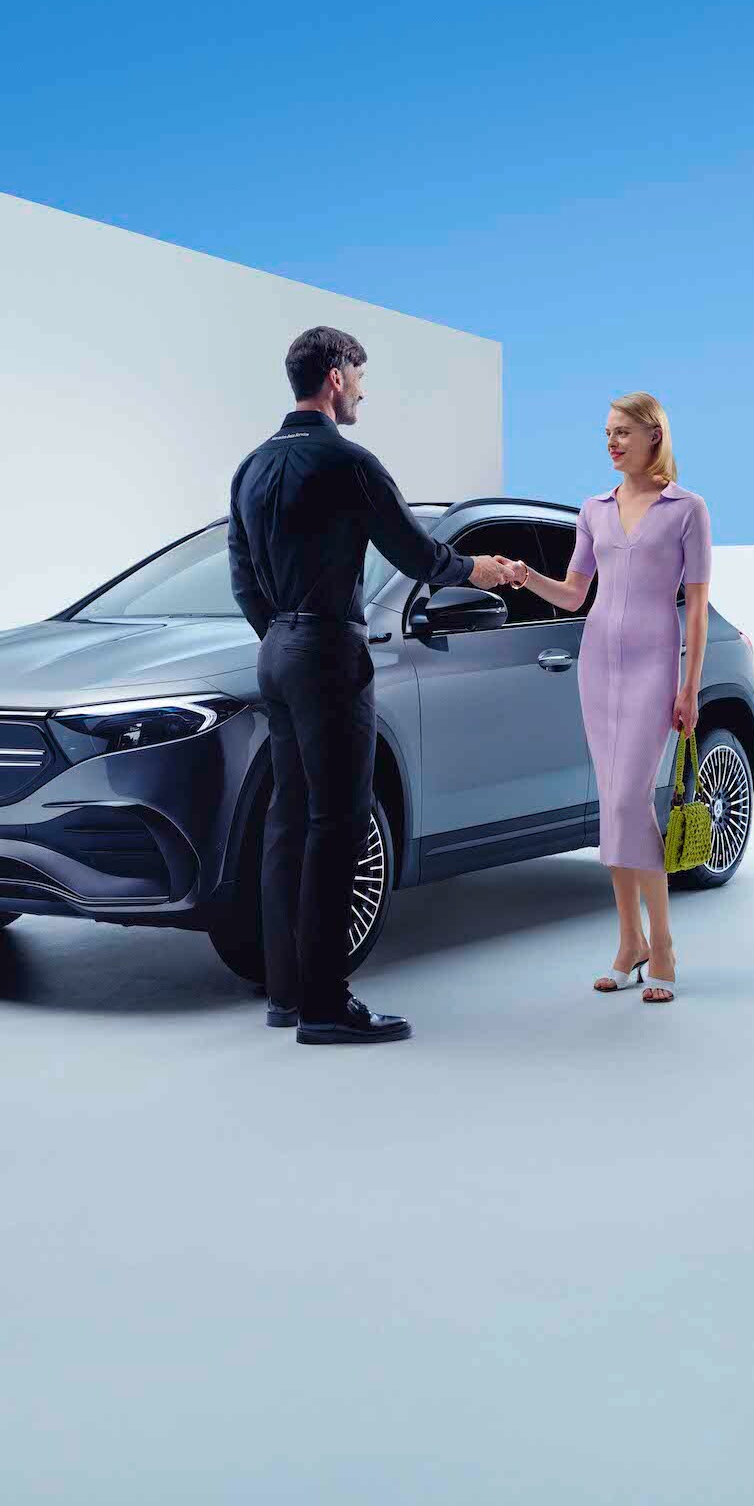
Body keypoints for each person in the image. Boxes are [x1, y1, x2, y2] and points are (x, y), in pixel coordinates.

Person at [226, 326, 517, 1045]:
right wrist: (480, 571)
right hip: (327, 650)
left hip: (277, 650)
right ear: (334, 376)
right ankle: (326, 1005)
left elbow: (241, 578)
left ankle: (287, 995)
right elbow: (417, 554)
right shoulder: (349, 463)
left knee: (287, 822)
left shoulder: (250, 469)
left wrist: (282, 632)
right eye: (358, 375)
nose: (362, 389)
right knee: (341, 824)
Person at [505, 392, 712, 1003]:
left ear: (654, 435)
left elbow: (696, 605)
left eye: (623, 431)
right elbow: (574, 594)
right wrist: (526, 576)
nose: (612, 442)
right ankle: (630, 942)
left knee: (628, 801)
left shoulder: (687, 509)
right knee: (614, 806)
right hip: (597, 666)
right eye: (606, 433)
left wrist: (690, 684)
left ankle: (664, 942)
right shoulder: (594, 510)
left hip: (655, 668)